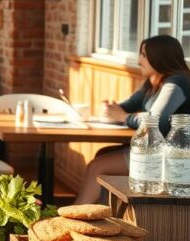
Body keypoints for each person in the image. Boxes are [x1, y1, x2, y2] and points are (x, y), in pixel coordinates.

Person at [75, 35, 190, 204]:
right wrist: (111, 108)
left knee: (98, 166)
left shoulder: (176, 82)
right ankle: (103, 214)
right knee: (102, 155)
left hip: (168, 156)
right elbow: (128, 105)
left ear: (159, 57)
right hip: (150, 149)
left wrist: (122, 116)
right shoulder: (154, 82)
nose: (139, 60)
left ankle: (76, 212)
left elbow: (155, 122)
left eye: (144, 55)